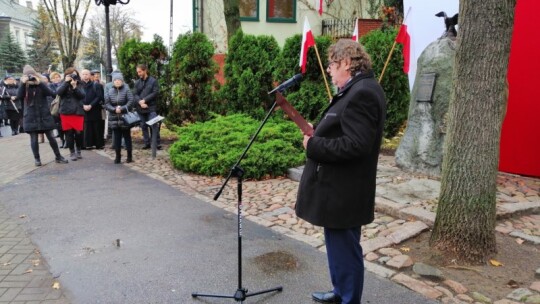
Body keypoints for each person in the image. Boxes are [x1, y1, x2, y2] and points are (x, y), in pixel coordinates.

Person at [295, 39, 387, 304]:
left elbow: (357, 145)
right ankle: (340, 292)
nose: (329, 70)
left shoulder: (363, 93)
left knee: (346, 250)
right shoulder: (358, 88)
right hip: (340, 189)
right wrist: (320, 132)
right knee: (338, 247)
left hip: (345, 191)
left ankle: (348, 299)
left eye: (333, 65)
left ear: (347, 63)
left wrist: (315, 144)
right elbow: (345, 128)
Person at [16, 65, 68, 166]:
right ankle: (37, 159)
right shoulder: (23, 85)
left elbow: (52, 93)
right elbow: (19, 96)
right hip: (31, 116)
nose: (30, 77)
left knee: (51, 137)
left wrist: (40, 83)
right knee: (34, 139)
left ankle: (58, 156)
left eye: (31, 74)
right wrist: (23, 83)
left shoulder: (41, 84)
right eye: (27, 75)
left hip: (44, 114)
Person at [104, 73, 134, 164]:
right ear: (113, 81)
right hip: (114, 117)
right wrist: (114, 109)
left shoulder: (126, 90)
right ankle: (118, 157)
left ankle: (129, 156)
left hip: (124, 118)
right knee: (116, 139)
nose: (117, 81)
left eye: (119, 80)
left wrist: (122, 108)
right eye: (116, 80)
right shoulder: (110, 91)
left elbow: (130, 101)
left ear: (122, 81)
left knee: (127, 138)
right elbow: (107, 104)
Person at [57, 68, 85, 161]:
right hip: (66, 112)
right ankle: (72, 152)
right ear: (66, 75)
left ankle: (79, 150)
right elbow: (58, 93)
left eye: (75, 74)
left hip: (77, 111)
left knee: (78, 133)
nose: (73, 76)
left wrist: (74, 87)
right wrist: (66, 82)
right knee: (68, 133)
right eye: (71, 74)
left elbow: (82, 96)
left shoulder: (80, 83)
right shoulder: (63, 83)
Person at [133, 64, 161, 149]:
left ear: (145, 70)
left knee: (153, 124)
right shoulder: (137, 82)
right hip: (140, 108)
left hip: (151, 107)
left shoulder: (153, 81)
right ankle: (147, 143)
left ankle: (156, 143)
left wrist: (145, 100)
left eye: (140, 72)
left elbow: (155, 93)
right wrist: (140, 102)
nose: (139, 74)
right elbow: (135, 94)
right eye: (137, 72)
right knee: (143, 126)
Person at [81, 69, 105, 149]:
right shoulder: (79, 85)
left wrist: (91, 105)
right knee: (87, 128)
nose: (85, 76)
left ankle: (99, 144)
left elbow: (99, 96)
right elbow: (77, 97)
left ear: (90, 75)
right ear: (81, 75)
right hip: (84, 109)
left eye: (87, 74)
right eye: (83, 74)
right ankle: (88, 144)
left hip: (95, 109)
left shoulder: (96, 85)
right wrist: (83, 105)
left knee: (97, 127)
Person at [49, 71, 66, 148]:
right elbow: (54, 94)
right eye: (55, 77)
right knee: (59, 125)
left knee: (65, 124)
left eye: (58, 77)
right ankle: (62, 140)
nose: (57, 79)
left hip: (64, 106)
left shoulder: (64, 84)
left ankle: (67, 140)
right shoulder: (50, 86)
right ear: (51, 79)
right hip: (56, 108)